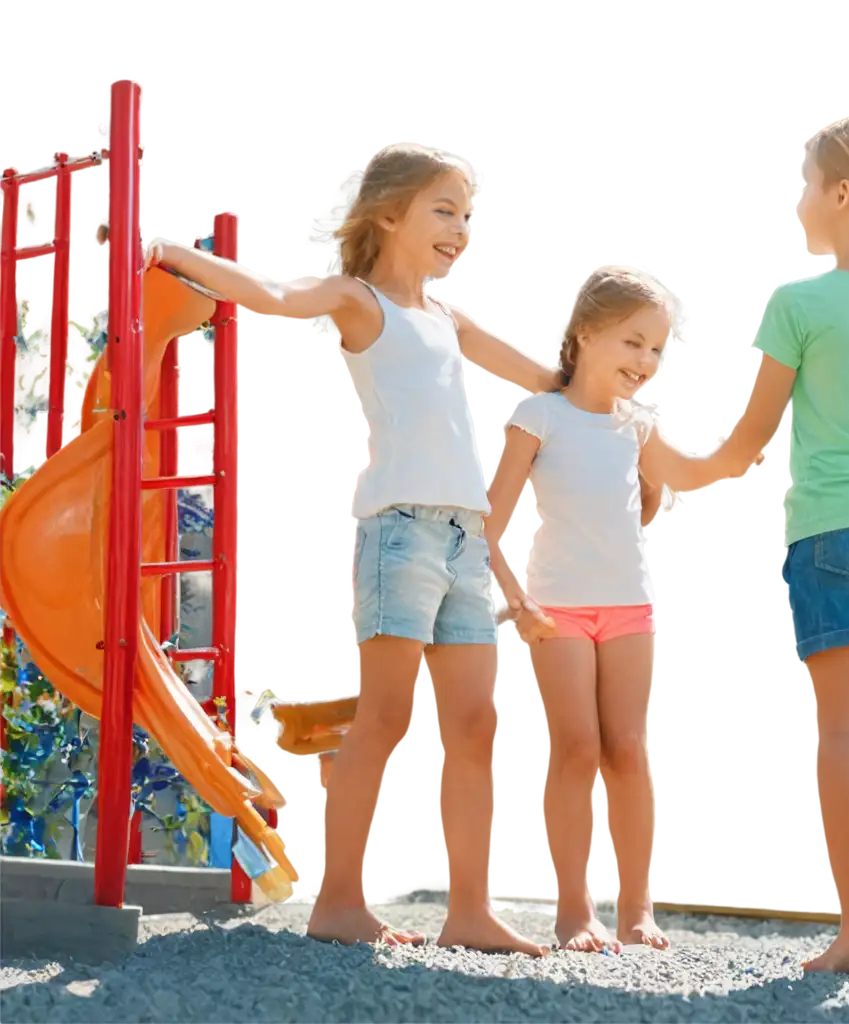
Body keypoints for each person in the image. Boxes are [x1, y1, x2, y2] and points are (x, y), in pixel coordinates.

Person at [148, 144, 562, 956]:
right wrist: (169, 253)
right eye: (445, 210)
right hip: (399, 529)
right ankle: (338, 902)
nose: (461, 229)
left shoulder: (448, 318)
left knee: (474, 723)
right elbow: (270, 298)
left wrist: (614, 372)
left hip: (463, 535)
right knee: (385, 717)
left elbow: (544, 376)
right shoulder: (359, 299)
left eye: (466, 215)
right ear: (388, 214)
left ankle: (469, 912)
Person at [677, 113, 849, 976]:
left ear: (842, 195)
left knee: (847, 734)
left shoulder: (797, 304)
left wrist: (685, 473)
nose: (804, 199)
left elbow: (752, 438)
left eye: (810, 184)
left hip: (832, 531)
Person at [485, 266, 743, 953]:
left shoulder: (637, 427)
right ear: (586, 335)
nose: (645, 362)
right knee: (576, 750)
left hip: (629, 606)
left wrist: (752, 441)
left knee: (628, 750)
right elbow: (495, 518)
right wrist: (515, 601)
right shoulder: (538, 416)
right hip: (556, 610)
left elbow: (686, 473)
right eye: (633, 343)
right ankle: (575, 913)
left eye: (656, 350)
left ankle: (637, 912)